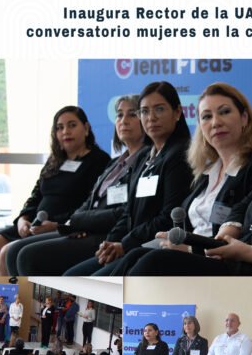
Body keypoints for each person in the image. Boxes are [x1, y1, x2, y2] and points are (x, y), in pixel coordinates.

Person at [109, 82, 252, 275]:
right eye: (206, 116)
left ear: (244, 118)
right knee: (136, 254)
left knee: (154, 260)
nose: (215, 122)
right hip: (191, 255)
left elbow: (246, 231)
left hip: (225, 263)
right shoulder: (206, 173)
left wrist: (190, 249)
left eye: (224, 112)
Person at [9, 95, 149, 276]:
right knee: (13, 251)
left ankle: (48, 303)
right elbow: (90, 201)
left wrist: (76, 222)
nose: (124, 121)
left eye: (132, 114)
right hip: (82, 228)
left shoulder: (144, 162)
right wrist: (70, 225)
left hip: (107, 234)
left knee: (26, 256)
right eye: (119, 115)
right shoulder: (114, 163)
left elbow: (125, 212)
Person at [65, 81, 193, 276]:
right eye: (144, 111)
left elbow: (167, 217)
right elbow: (129, 212)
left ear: (177, 112)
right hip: (128, 245)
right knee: (71, 277)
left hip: (153, 248)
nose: (151, 118)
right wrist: (112, 242)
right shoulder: (143, 156)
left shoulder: (180, 155)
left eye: (159, 109)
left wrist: (124, 244)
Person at [0, 105, 110, 275]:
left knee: (6, 253)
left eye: (72, 125)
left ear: (86, 129)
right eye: (60, 127)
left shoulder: (99, 161)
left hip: (62, 226)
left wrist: (56, 224)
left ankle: (7, 299)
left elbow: (90, 205)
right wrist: (22, 219)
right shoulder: (55, 160)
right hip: (34, 224)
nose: (65, 132)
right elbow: (36, 195)